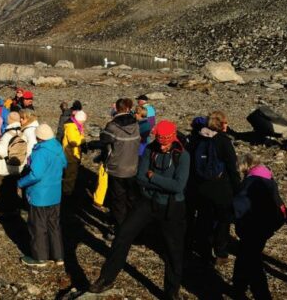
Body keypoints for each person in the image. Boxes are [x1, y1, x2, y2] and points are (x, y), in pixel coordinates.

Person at [89, 120, 190, 299]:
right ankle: (106, 278)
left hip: (172, 207)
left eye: (166, 142)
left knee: (174, 250)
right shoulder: (151, 149)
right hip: (148, 202)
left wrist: (154, 178)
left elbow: (178, 186)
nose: (163, 145)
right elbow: (140, 178)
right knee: (123, 235)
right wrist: (156, 181)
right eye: (161, 141)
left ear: (173, 138)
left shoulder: (182, 155)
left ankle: (171, 292)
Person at [188, 111, 240, 264]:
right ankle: (221, 252)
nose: (227, 125)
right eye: (225, 122)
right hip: (221, 188)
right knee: (223, 221)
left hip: (201, 187)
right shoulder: (223, 141)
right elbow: (232, 167)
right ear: (220, 124)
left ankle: (203, 250)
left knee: (204, 219)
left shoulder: (197, 138)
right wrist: (238, 189)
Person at [232, 154, 286, 300]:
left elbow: (239, 205)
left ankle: (262, 296)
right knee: (244, 256)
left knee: (253, 264)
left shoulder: (251, 182)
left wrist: (229, 211)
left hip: (252, 227)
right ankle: (238, 287)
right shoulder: (267, 176)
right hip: (265, 225)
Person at [17, 124, 67, 267]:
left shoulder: (41, 152)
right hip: (55, 193)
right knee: (54, 225)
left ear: (38, 137)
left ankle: (40, 257)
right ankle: (58, 256)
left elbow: (36, 174)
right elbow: (64, 164)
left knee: (38, 226)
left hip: (40, 194)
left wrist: (21, 183)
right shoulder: (57, 147)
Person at [92, 98, 141, 240]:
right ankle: (133, 229)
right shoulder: (136, 124)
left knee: (118, 200)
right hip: (133, 167)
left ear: (117, 108)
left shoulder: (112, 126)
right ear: (128, 108)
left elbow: (103, 140)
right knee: (131, 199)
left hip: (117, 168)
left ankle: (119, 231)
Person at [0, 111, 25, 215]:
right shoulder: (22, 134)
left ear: (9, 120)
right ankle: (13, 209)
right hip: (17, 167)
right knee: (12, 189)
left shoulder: (7, 135)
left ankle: (1, 210)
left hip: (3, 167)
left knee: (1, 190)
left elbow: (1, 152)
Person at [62, 110, 87, 196]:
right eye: (82, 121)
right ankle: (67, 192)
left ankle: (68, 190)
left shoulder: (75, 125)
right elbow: (74, 141)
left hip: (72, 154)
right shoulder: (72, 127)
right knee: (70, 174)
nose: (83, 123)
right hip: (71, 155)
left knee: (71, 173)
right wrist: (83, 138)